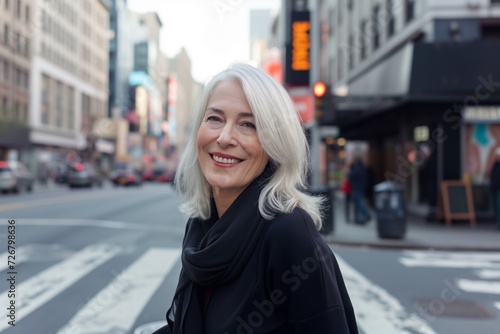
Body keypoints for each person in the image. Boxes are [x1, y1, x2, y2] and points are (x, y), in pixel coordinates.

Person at [153, 63, 358, 334]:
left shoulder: (289, 234)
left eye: (248, 124)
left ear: (275, 143)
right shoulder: (203, 222)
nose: (225, 138)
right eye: (214, 118)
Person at [348, 156, 370, 224]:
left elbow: (351, 176)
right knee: (359, 202)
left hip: (357, 187)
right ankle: (362, 216)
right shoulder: (361, 167)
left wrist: (349, 169)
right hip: (360, 187)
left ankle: (365, 215)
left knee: (359, 203)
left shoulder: (357, 168)